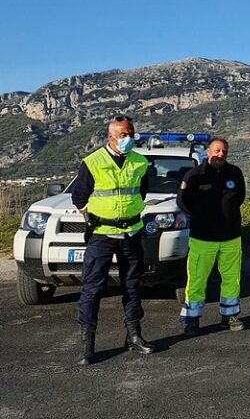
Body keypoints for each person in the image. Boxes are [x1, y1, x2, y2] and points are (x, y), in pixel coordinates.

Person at [71, 115, 154, 365]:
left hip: (131, 233)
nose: (127, 138)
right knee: (93, 288)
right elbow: (79, 196)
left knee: (132, 285)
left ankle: (134, 336)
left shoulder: (140, 162)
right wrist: (99, 215)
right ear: (110, 137)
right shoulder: (93, 161)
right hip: (102, 235)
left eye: (130, 133)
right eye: (122, 134)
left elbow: (141, 191)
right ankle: (87, 344)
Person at [178, 137, 246, 335]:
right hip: (203, 237)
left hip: (231, 236)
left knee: (231, 278)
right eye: (216, 150)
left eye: (224, 151)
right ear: (208, 152)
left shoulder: (235, 173)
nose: (220, 154)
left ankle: (230, 315)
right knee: (197, 279)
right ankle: (191, 319)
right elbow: (183, 202)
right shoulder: (195, 174)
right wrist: (201, 217)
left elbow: (240, 197)